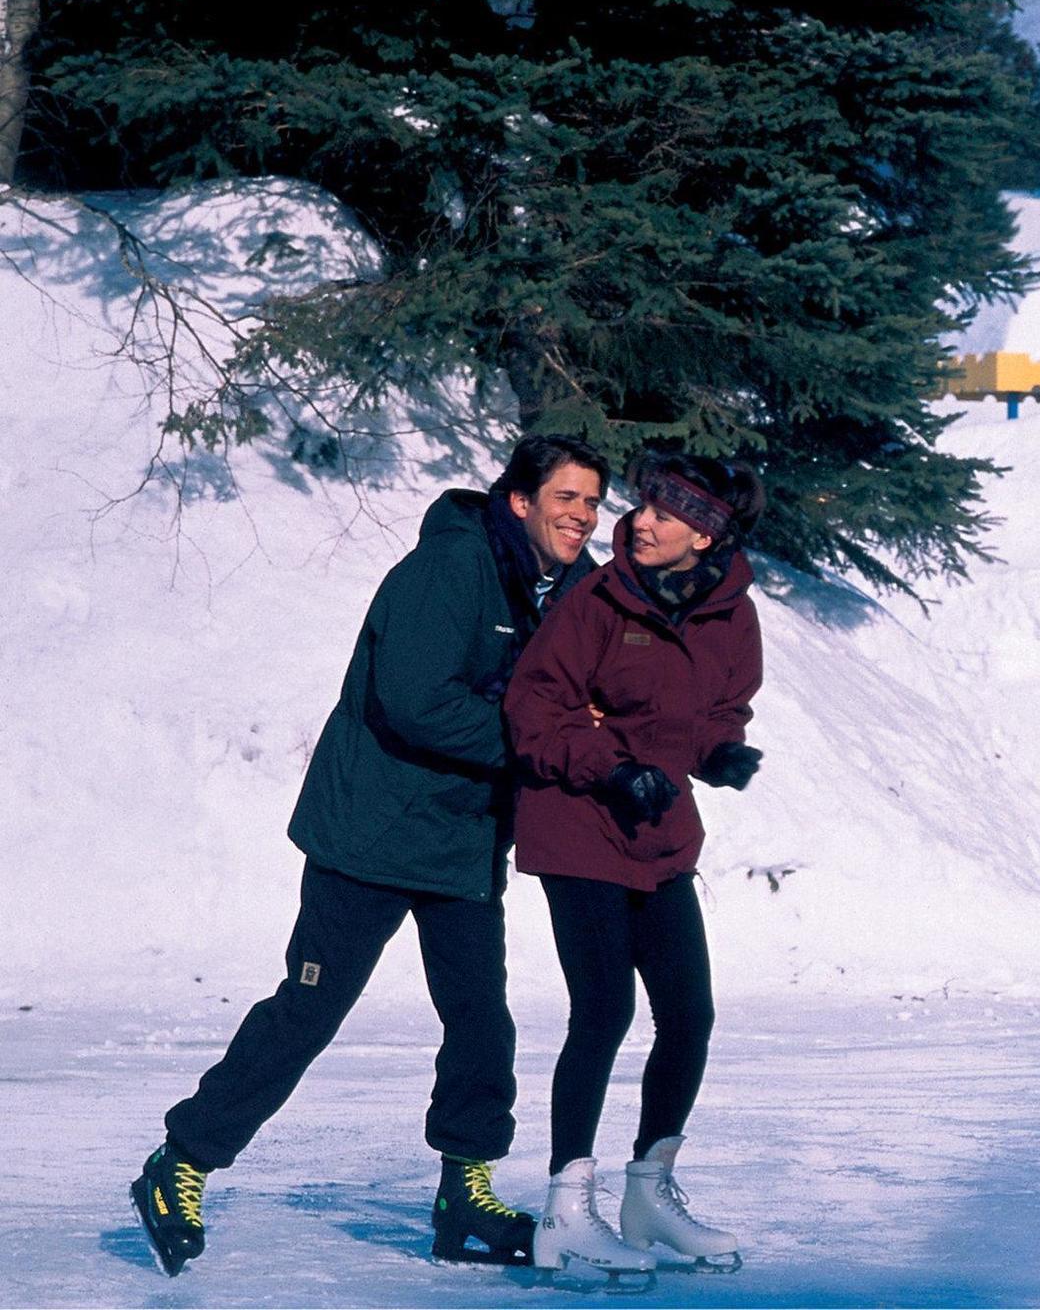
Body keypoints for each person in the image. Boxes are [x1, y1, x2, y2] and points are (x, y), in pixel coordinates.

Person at [130, 436, 610, 1276]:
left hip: (462, 839)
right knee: (310, 1011)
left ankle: (466, 1190)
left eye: (592, 501)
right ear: (521, 501)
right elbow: (416, 703)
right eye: (566, 498)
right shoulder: (447, 570)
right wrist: (540, 742)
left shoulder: (569, 586)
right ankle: (182, 1162)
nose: (581, 514)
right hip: (372, 830)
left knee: (479, 1018)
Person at [504, 450, 765, 1276]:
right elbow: (534, 708)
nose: (640, 522)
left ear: (706, 534)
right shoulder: (598, 598)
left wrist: (720, 751)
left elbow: (720, 706)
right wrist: (609, 766)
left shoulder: (731, 615)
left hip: (658, 833)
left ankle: (649, 1192)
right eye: (644, 506)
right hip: (578, 822)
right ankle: (566, 1211)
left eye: (664, 512)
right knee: (604, 1011)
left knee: (689, 1014)